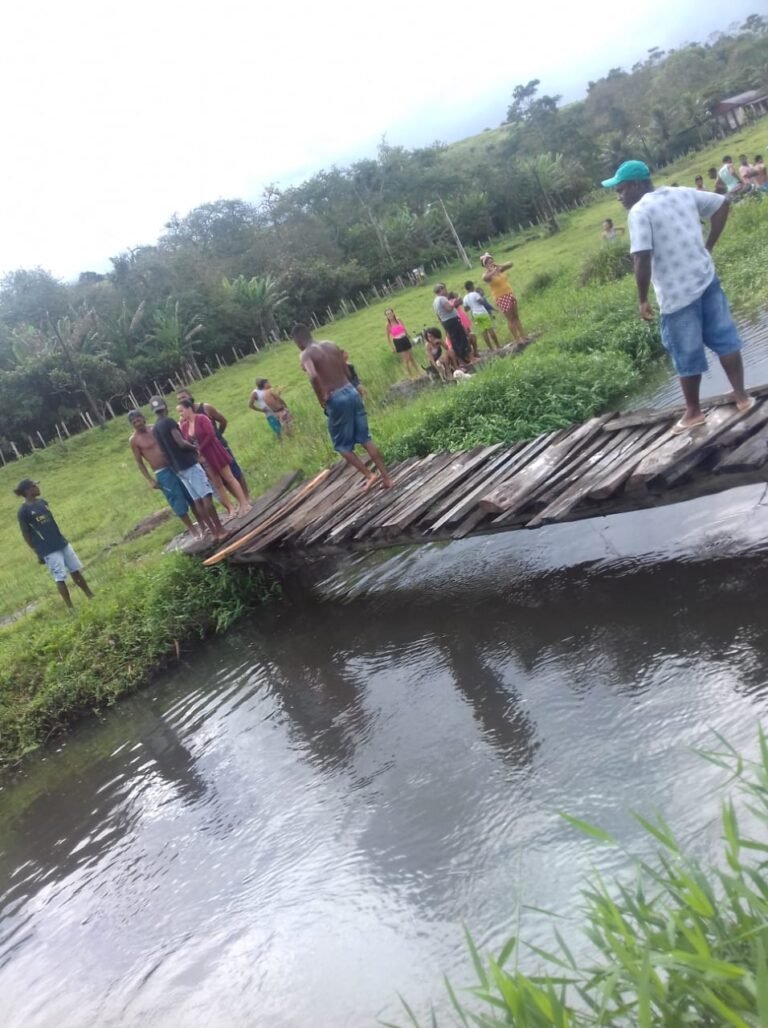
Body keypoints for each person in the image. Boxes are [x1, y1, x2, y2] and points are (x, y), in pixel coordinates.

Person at [602, 159, 752, 434]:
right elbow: (722, 204)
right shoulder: (681, 192)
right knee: (725, 338)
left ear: (636, 186)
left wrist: (642, 298)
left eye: (621, 189)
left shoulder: (639, 211)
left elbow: (641, 258)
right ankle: (742, 397)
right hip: (705, 279)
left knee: (685, 351)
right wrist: (708, 246)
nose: (619, 196)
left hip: (676, 294)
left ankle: (693, 413)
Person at [290, 323, 393, 490]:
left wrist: (321, 398)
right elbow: (346, 368)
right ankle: (387, 478)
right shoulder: (330, 344)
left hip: (336, 398)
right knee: (365, 438)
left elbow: (313, 376)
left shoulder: (306, 354)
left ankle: (369, 475)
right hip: (350, 390)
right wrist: (349, 384)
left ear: (297, 341)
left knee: (341, 445)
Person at [149, 396, 226, 539]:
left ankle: (213, 532)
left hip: (177, 468)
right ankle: (220, 530)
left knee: (197, 499)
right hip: (188, 463)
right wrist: (194, 448)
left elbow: (163, 451)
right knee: (206, 496)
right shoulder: (169, 422)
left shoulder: (155, 429)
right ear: (165, 406)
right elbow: (181, 442)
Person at [15, 479, 94, 609]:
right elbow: (25, 534)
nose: (37, 488)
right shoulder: (23, 512)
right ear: (27, 491)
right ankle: (70, 608)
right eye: (34, 486)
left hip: (61, 541)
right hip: (48, 548)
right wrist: (37, 551)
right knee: (60, 577)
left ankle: (90, 595)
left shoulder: (42, 503)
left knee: (75, 569)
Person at [128, 410, 200, 537]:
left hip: (174, 464)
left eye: (138, 420)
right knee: (176, 501)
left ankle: (203, 524)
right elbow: (139, 462)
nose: (137, 423)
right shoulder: (134, 440)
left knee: (191, 495)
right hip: (162, 473)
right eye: (134, 422)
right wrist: (150, 480)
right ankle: (193, 530)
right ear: (131, 425)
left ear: (143, 418)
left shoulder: (155, 428)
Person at [177, 399, 249, 516]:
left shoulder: (202, 418)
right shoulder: (184, 426)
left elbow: (211, 435)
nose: (180, 414)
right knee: (217, 483)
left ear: (189, 408)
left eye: (182, 411)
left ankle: (244, 503)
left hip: (213, 451)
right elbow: (185, 441)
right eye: (179, 412)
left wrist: (200, 448)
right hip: (202, 458)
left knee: (229, 477)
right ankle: (230, 508)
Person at [479, 253, 527, 343]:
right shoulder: (486, 274)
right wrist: (493, 271)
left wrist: (499, 266)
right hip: (501, 297)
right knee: (510, 318)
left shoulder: (499, 269)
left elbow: (510, 264)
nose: (491, 263)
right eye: (488, 263)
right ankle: (517, 339)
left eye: (491, 261)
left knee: (516, 316)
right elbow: (485, 278)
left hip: (509, 293)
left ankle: (523, 335)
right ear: (485, 265)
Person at [432, 283, 471, 365]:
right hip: (452, 320)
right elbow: (449, 308)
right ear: (441, 290)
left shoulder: (435, 301)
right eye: (445, 289)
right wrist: (454, 303)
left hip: (446, 322)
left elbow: (438, 315)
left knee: (454, 341)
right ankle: (466, 357)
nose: (446, 291)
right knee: (460, 338)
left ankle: (461, 360)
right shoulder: (442, 299)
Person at [384, 308, 421, 379]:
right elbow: (388, 338)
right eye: (387, 314)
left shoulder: (398, 319)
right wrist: (392, 347)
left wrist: (409, 337)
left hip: (405, 339)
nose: (390, 315)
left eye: (390, 313)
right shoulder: (387, 325)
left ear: (393, 313)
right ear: (386, 316)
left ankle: (418, 372)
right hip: (398, 341)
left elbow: (404, 329)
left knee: (411, 358)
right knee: (406, 360)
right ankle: (411, 376)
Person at [463, 281, 500, 350]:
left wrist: (471, 305)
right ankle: (497, 345)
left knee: (483, 331)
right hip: (482, 313)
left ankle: (491, 348)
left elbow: (466, 309)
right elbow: (482, 302)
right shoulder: (475, 294)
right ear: (471, 286)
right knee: (490, 329)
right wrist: (482, 299)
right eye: (473, 285)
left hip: (475, 315)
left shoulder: (465, 298)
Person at [448, 292, 479, 359]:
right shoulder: (452, 305)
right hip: (459, 324)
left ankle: (474, 353)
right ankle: (468, 356)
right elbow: (458, 302)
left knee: (471, 334)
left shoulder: (456, 304)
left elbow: (461, 301)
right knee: (466, 338)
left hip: (463, 322)